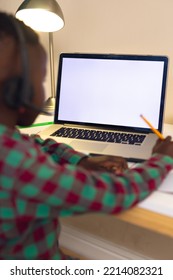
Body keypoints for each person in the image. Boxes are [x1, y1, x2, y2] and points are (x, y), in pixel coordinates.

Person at [0, 12, 173, 260]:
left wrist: (80, 160)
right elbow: (115, 193)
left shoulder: (10, 144)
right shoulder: (16, 164)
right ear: (17, 90)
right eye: (41, 80)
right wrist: (162, 159)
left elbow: (33, 141)